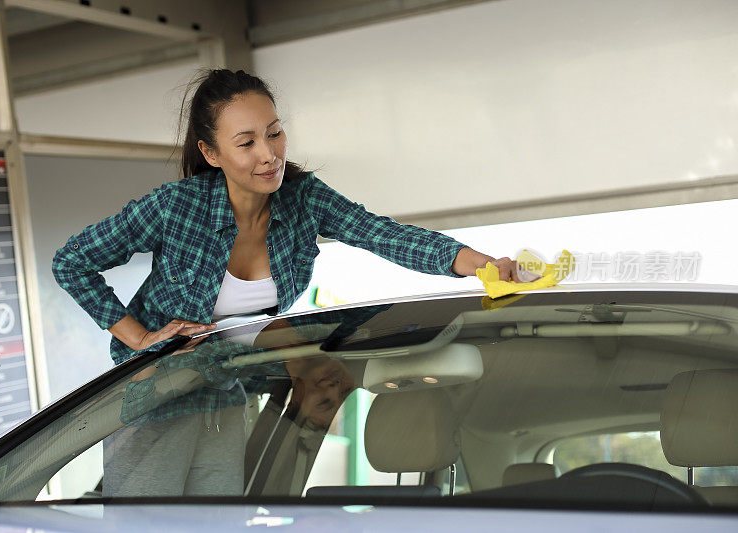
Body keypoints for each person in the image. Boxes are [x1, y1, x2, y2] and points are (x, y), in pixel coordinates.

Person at [52, 68, 521, 497]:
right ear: (211, 153)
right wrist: (139, 339)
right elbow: (71, 262)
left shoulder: (303, 200)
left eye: (275, 133)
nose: (269, 153)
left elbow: (382, 234)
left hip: (227, 399)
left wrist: (480, 264)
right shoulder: (176, 207)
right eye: (247, 142)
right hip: (157, 400)